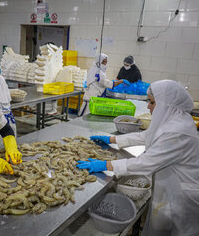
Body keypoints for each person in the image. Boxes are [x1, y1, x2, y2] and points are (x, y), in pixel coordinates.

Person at [77, 80, 199, 235]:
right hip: (171, 186)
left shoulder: (178, 133)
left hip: (181, 198)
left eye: (152, 102)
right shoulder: (175, 119)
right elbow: (148, 135)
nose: (148, 106)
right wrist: (113, 140)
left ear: (166, 104)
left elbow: (147, 162)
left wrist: (106, 165)